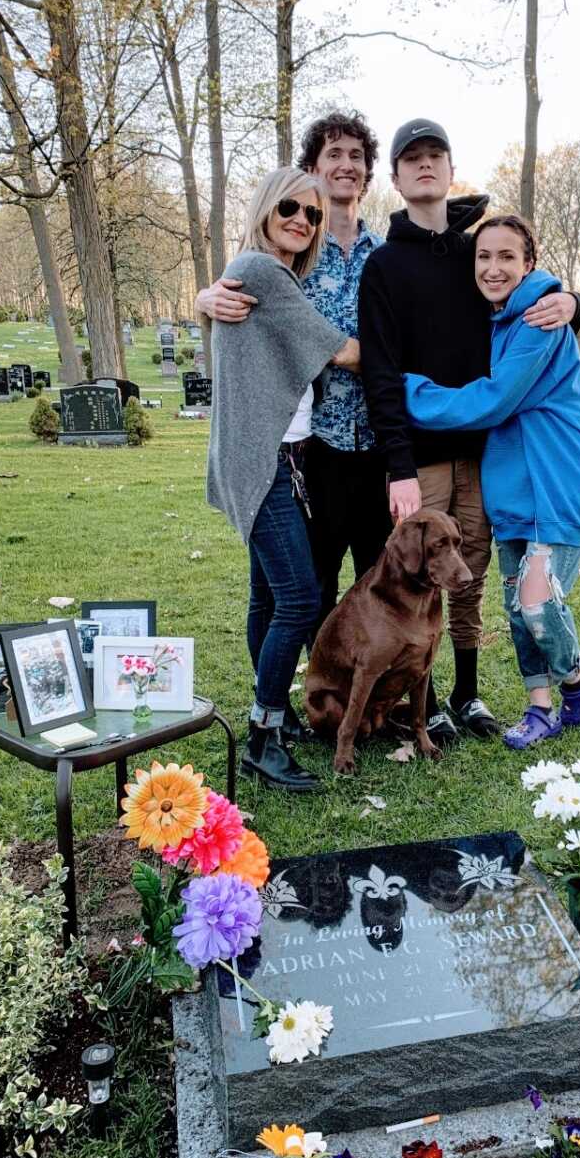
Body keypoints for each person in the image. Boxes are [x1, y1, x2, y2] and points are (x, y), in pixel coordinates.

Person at [358, 118, 580, 744]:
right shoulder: (383, 266)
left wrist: (575, 303)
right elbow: (381, 371)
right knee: (417, 573)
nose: (425, 166)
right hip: (422, 457)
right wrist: (399, 464)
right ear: (398, 177)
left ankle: (467, 691)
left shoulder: (474, 253)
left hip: (482, 455)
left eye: (436, 156)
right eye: (412, 159)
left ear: (451, 170)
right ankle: (420, 701)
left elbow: (527, 295)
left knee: (469, 576)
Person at [404, 214, 580, 748]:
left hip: (558, 487)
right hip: (511, 494)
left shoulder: (539, 319)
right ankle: (539, 708)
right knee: (517, 609)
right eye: (483, 257)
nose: (493, 268)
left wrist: (405, 391)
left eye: (506, 257)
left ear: (529, 264)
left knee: (537, 602)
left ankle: (578, 675)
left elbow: (493, 400)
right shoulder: (497, 319)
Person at [197, 112, 391, 630]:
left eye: (357, 156)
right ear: (312, 168)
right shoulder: (293, 248)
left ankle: (381, 701)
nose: (346, 165)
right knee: (307, 589)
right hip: (312, 447)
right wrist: (205, 298)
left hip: (377, 444)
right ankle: (314, 700)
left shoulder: (386, 256)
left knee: (382, 583)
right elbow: (243, 298)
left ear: (368, 174)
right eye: (334, 154)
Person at [205, 165, 359, 792]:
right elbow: (341, 351)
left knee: (267, 598)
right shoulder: (265, 270)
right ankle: (265, 734)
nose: (302, 220)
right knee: (298, 598)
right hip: (265, 460)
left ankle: (276, 718)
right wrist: (411, 353)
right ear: (267, 207)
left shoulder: (259, 273)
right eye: (291, 208)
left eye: (313, 215)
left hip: (272, 456)